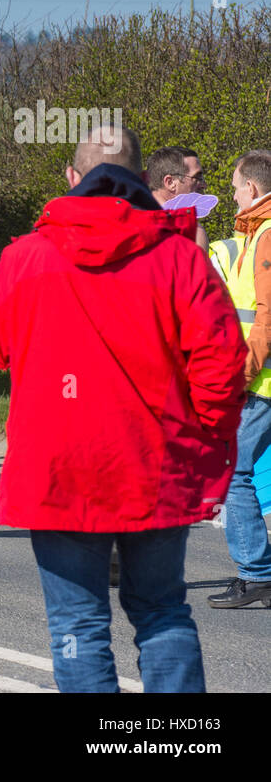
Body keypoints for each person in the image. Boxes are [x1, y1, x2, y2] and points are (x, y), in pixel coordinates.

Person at [0, 125, 246, 690]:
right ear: (143, 181)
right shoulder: (180, 258)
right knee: (163, 610)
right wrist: (208, 446)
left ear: (72, 180)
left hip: (57, 467)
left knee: (78, 623)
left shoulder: (27, 257)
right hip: (154, 463)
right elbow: (222, 367)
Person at [209, 149, 271, 609]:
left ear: (251, 188)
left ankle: (256, 574)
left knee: (234, 474)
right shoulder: (257, 233)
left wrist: (245, 374)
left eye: (234, 187)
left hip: (261, 381)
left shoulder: (267, 235)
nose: (231, 196)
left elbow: (267, 317)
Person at [146, 146, 208, 252]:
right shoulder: (193, 233)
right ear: (170, 183)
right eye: (197, 178)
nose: (204, 185)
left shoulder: (129, 219)